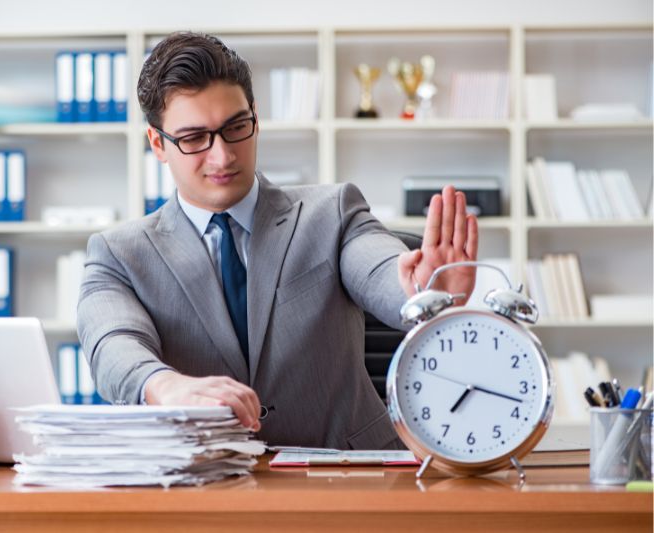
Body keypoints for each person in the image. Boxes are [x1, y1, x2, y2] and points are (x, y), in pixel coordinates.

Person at [77, 31, 478, 449]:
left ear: (255, 118)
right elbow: (112, 342)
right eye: (195, 138)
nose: (223, 156)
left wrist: (422, 291)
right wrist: (162, 385)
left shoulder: (332, 212)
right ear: (158, 144)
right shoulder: (119, 255)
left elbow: (379, 267)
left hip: (351, 480)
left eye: (236, 127)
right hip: (206, 485)